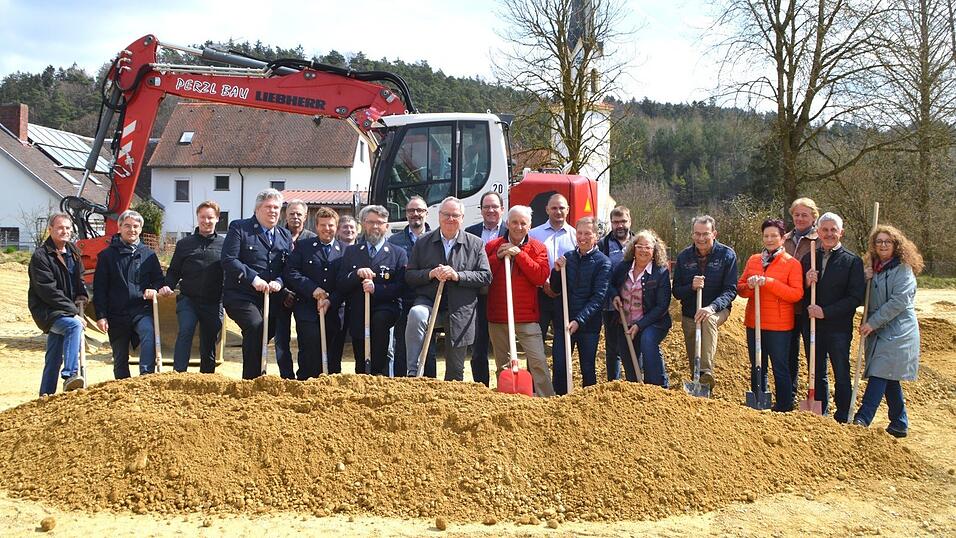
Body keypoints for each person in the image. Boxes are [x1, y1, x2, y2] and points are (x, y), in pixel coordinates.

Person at [405, 196, 492, 380]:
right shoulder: (423, 242)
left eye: (455, 215)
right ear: (439, 216)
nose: (450, 219)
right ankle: (413, 372)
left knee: (455, 371)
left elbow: (486, 276)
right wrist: (430, 273)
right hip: (429, 303)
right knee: (416, 314)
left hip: (461, 309)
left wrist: (457, 275)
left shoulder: (475, 243)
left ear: (462, 218)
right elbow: (410, 275)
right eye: (446, 214)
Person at [852, 225, 923, 438]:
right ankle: (899, 422)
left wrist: (873, 322)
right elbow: (864, 296)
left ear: (896, 245)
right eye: (879, 241)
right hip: (879, 329)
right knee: (888, 376)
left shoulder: (903, 269)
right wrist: (864, 278)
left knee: (879, 372)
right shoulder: (873, 268)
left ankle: (862, 419)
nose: (883, 245)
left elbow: (899, 301)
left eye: (887, 241)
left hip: (898, 331)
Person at [485, 205, 555, 396]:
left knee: (538, 361)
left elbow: (540, 277)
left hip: (527, 316)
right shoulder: (492, 246)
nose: (518, 226)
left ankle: (546, 401)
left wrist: (519, 254)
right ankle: (508, 401)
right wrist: (498, 258)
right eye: (514, 222)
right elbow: (484, 276)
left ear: (529, 225)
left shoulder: (538, 247)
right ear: (507, 223)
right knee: (503, 365)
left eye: (523, 223)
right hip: (499, 316)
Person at [221, 189, 291, 379]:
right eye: (268, 207)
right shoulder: (240, 228)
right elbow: (229, 259)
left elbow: (289, 266)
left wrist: (279, 280)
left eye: (276, 207)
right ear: (257, 209)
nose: (273, 211)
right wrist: (253, 278)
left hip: (272, 298)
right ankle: (252, 381)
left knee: (264, 334)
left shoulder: (285, 235)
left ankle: (258, 375)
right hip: (241, 295)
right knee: (255, 326)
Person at [801, 212, 865, 422]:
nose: (829, 234)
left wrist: (826, 312)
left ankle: (843, 413)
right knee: (816, 371)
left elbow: (855, 297)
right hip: (812, 327)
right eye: (825, 230)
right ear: (818, 232)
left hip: (838, 327)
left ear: (841, 233)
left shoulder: (852, 261)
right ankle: (820, 413)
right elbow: (798, 293)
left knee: (840, 370)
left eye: (833, 230)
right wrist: (806, 282)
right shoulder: (809, 258)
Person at [737, 218, 804, 412]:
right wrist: (749, 286)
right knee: (757, 364)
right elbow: (740, 289)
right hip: (754, 321)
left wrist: (769, 283)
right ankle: (759, 400)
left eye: (774, 235)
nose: (770, 239)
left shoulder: (792, 264)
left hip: (779, 325)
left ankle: (784, 405)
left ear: (783, 238)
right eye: (766, 235)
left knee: (780, 366)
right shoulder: (753, 260)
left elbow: (796, 294)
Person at [93, 210, 165, 378]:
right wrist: (101, 316)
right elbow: (100, 288)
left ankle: (146, 376)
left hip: (141, 310)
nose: (131, 230)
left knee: (149, 333)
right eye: (127, 226)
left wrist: (154, 289)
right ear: (119, 228)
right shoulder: (107, 256)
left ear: (140, 229)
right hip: (116, 313)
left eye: (135, 226)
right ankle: (122, 386)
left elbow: (159, 280)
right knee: (119, 356)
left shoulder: (149, 255)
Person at [671, 215, 738, 390]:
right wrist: (691, 287)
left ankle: (707, 372)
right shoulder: (684, 257)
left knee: (708, 320)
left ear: (714, 233)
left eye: (705, 234)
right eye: (697, 234)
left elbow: (730, 290)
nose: (701, 238)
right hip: (690, 312)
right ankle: (699, 385)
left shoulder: (726, 255)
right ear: (692, 235)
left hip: (717, 309)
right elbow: (677, 291)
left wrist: (712, 307)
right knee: (694, 359)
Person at [337, 205, 406, 376]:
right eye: (371, 222)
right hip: (358, 310)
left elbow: (401, 286)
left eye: (380, 223)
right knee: (361, 359)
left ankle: (379, 374)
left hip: (385, 309)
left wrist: (377, 289)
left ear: (386, 226)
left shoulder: (398, 253)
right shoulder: (351, 252)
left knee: (380, 323)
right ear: (363, 224)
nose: (375, 226)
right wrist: (356, 275)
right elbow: (341, 283)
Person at [159, 201, 225, 374]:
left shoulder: (224, 245)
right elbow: (173, 271)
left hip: (213, 301)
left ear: (217, 219)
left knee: (209, 338)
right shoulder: (184, 244)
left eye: (210, 217)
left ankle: (207, 377)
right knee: (186, 331)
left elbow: (231, 271)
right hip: (189, 300)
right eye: (202, 217)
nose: (206, 221)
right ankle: (178, 374)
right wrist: (167, 285)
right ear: (197, 218)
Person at [28, 212, 89, 395]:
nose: (65, 231)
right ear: (51, 230)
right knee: (73, 326)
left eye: (68, 228)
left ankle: (45, 394)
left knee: (53, 357)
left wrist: (82, 294)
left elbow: (79, 278)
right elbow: (48, 290)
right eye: (60, 228)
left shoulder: (73, 251)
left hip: (65, 308)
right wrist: (73, 312)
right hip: (47, 310)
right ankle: (70, 375)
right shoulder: (41, 257)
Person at [550, 217, 611, 393]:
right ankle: (559, 401)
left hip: (588, 326)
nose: (582, 237)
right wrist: (556, 271)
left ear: (596, 236)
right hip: (564, 323)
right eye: (579, 233)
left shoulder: (603, 263)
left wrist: (579, 320)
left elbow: (598, 298)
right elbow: (555, 288)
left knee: (587, 368)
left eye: (587, 234)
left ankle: (587, 407)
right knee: (560, 366)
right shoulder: (568, 258)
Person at [285, 206, 345, 378]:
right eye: (323, 225)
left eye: (331, 225)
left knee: (333, 349)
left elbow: (344, 282)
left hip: (334, 308)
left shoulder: (346, 250)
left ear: (336, 227)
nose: (327, 229)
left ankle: (331, 387)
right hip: (307, 308)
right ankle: (306, 381)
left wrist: (330, 300)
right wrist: (313, 289)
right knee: (310, 345)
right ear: (316, 226)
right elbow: (291, 272)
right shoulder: (303, 247)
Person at [610, 230, 672, 386]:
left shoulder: (661, 272)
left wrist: (640, 325)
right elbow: (610, 284)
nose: (643, 250)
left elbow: (662, 305)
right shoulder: (623, 267)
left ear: (654, 251)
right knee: (630, 363)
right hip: (625, 323)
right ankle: (637, 391)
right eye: (640, 246)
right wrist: (614, 295)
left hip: (653, 322)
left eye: (648, 247)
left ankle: (658, 386)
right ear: (633, 248)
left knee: (647, 340)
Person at [387, 196, 435, 377]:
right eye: (411, 211)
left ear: (426, 213)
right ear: (406, 214)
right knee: (401, 345)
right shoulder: (394, 241)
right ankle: (401, 383)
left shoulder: (436, 239)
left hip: (428, 299)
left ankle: (430, 383)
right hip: (402, 298)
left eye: (419, 210)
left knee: (428, 345)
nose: (415, 214)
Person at [464, 191, 507, 386]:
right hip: (477, 296)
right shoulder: (470, 233)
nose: (491, 210)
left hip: (504, 296)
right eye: (486, 207)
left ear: (502, 209)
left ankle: (505, 386)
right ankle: (481, 387)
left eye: (494, 206)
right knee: (478, 346)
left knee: (503, 346)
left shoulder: (511, 231)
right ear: (480, 210)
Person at [273, 200, 316, 379]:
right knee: (281, 340)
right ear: (285, 215)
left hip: (304, 296)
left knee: (305, 338)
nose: (295, 217)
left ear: (305, 217)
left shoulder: (311, 239)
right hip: (280, 294)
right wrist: (283, 291)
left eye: (299, 214)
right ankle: (286, 376)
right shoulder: (276, 236)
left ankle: (304, 376)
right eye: (292, 214)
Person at [529, 194, 577, 348]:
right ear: (547, 210)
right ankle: (533, 373)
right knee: (536, 341)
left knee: (562, 342)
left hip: (564, 296)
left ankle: (561, 373)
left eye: (562, 208)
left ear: (568, 210)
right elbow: (530, 263)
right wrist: (544, 283)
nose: (558, 211)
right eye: (554, 208)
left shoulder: (576, 236)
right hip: (540, 295)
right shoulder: (533, 234)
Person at [784, 197, 820, 400]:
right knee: (789, 353)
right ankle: (790, 394)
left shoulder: (819, 239)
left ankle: (815, 396)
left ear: (814, 217)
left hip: (810, 305)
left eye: (804, 215)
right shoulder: (785, 240)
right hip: (788, 306)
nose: (800, 218)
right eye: (796, 214)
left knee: (812, 352)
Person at [598, 205, 634, 381]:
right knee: (613, 346)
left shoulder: (638, 243)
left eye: (623, 221)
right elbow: (602, 276)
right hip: (611, 304)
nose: (620, 225)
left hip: (635, 303)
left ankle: (635, 381)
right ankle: (614, 383)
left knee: (634, 344)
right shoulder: (603, 245)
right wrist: (612, 295)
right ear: (611, 224)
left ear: (630, 221)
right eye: (616, 222)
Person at [330, 213, 358, 365]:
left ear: (357, 230)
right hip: (338, 303)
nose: (348, 230)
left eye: (351, 227)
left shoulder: (364, 249)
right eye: (345, 227)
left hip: (357, 302)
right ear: (338, 231)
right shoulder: (334, 250)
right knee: (337, 341)